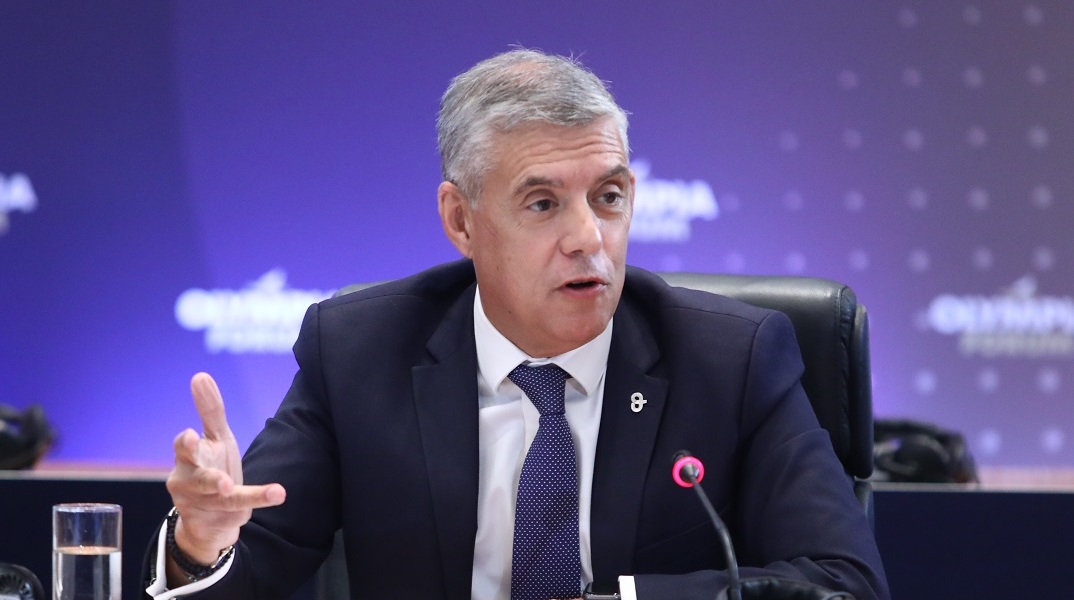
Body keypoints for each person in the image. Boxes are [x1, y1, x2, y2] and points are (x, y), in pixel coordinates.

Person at [144, 49, 890, 600]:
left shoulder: (732, 362)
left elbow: (843, 585)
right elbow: (246, 566)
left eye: (608, 197)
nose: (589, 238)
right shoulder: (360, 353)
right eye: (543, 204)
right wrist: (199, 543)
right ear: (461, 220)